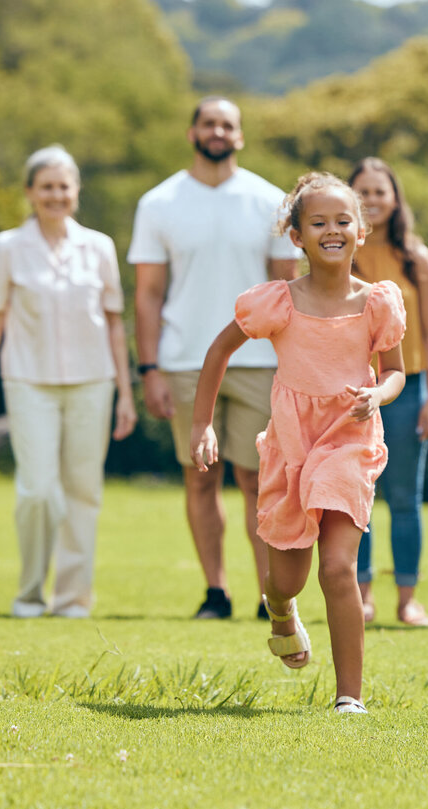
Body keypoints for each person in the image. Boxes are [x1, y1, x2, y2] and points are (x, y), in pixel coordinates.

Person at [188, 172, 406, 714]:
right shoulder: (276, 302)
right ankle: (280, 608)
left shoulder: (377, 302)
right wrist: (203, 425)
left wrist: (377, 394)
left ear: (360, 231)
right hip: (291, 444)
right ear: (296, 237)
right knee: (288, 576)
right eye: (318, 223)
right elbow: (217, 353)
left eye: (342, 221)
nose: (332, 230)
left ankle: (348, 698)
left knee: (337, 568)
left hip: (349, 441)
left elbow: (396, 373)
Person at [129, 97, 300, 621]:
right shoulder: (159, 202)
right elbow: (148, 295)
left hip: (258, 363)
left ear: (240, 136)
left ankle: (266, 595)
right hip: (184, 361)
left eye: (228, 124)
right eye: (209, 123)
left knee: (257, 480)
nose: (218, 131)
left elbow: (289, 290)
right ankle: (215, 592)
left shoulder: (269, 200)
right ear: (192, 132)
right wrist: (149, 368)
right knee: (200, 476)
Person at [0, 144, 137, 619]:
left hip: (93, 382)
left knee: (84, 491)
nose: (55, 195)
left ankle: (72, 599)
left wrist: (125, 393)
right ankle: (29, 593)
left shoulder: (99, 247)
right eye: (46, 186)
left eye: (63, 186)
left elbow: (114, 323)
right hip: (27, 381)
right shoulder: (7, 247)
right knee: (38, 490)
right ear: (29, 192)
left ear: (76, 191)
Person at [347, 158, 428, 627]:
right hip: (354, 391)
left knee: (405, 497)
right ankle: (361, 596)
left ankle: (407, 599)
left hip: (410, 389)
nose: (371, 200)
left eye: (379, 191)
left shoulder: (417, 258)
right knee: (358, 495)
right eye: (361, 192)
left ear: (394, 198)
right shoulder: (340, 254)